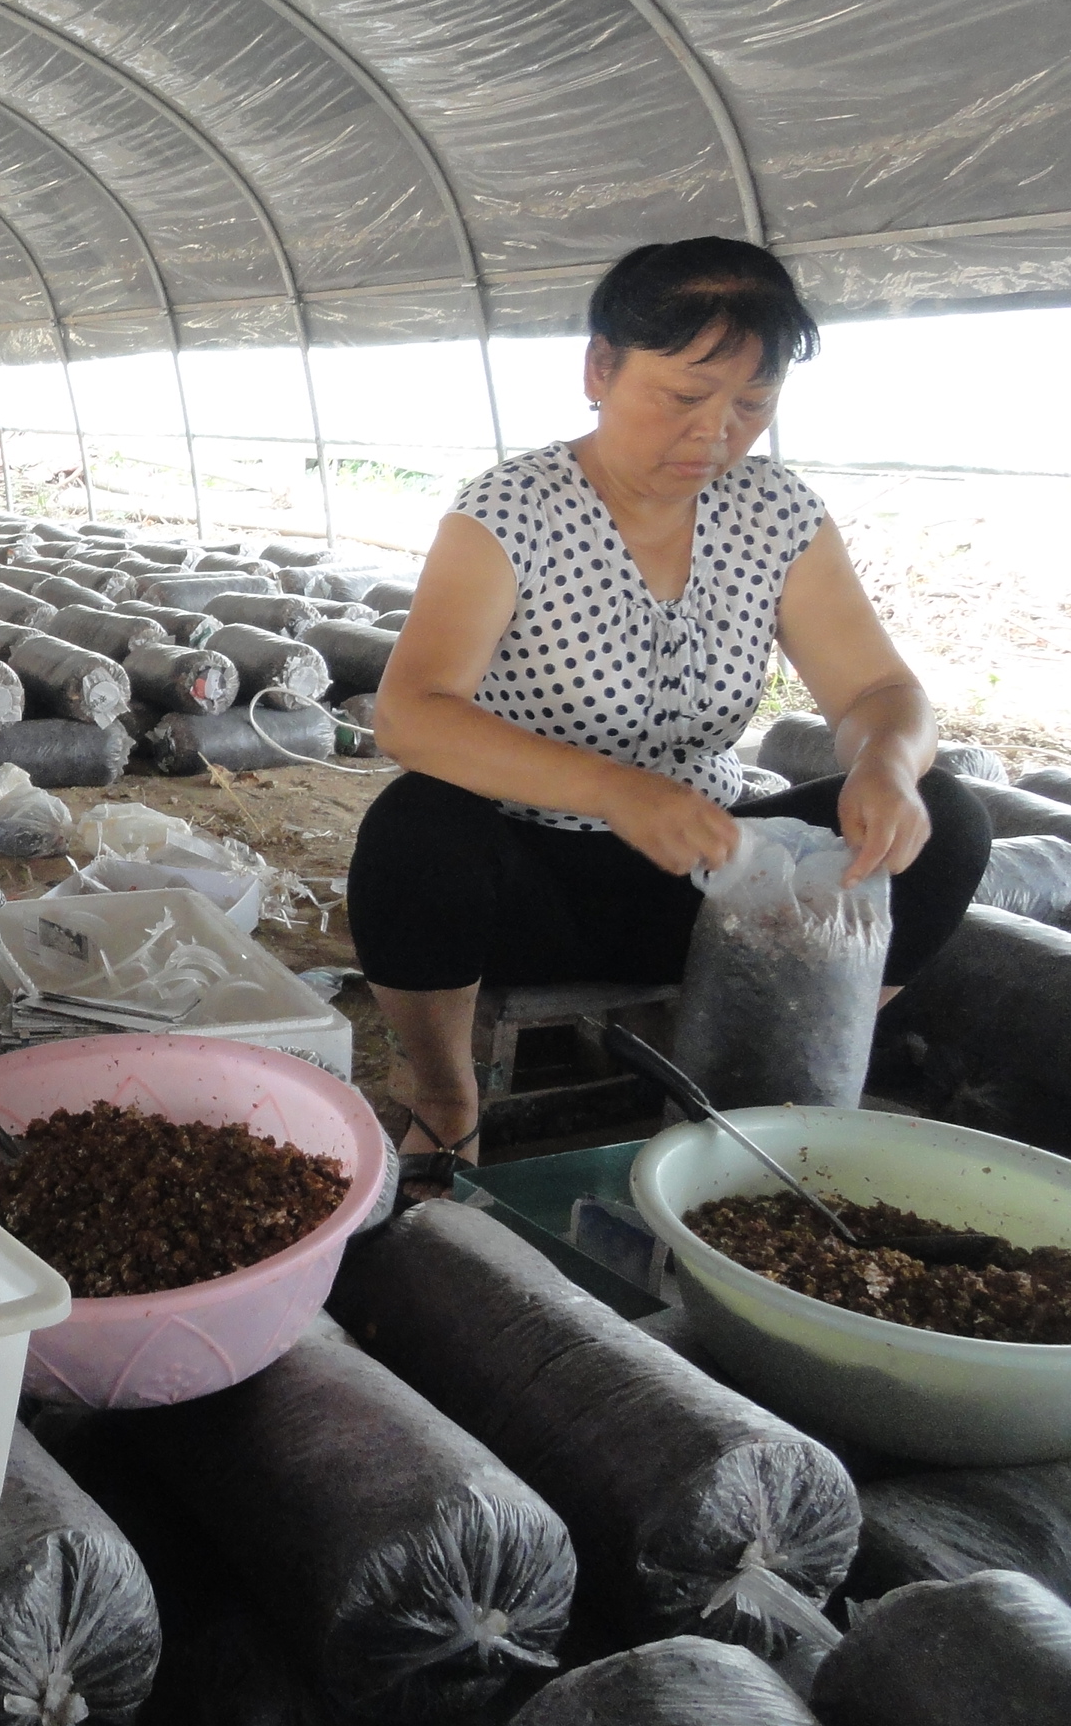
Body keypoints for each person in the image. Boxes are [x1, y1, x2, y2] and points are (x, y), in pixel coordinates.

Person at [351, 238, 989, 1193]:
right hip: (530, 883)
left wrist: (887, 765)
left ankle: (787, 1061)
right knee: (416, 826)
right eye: (684, 396)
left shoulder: (776, 514)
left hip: (713, 877)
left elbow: (876, 694)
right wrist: (615, 791)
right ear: (600, 370)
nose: (716, 433)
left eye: (753, 404)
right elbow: (412, 713)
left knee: (948, 820)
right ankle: (445, 1100)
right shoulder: (511, 511)